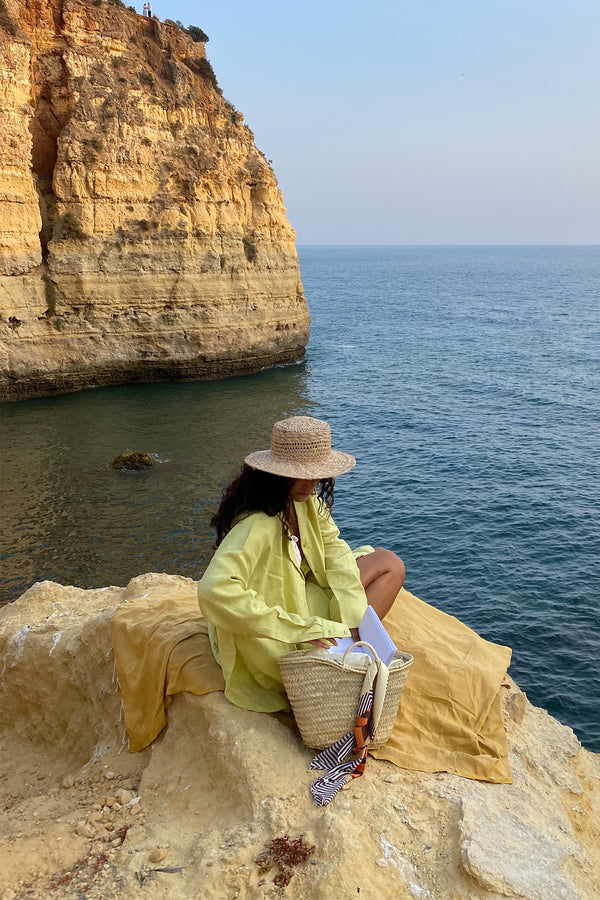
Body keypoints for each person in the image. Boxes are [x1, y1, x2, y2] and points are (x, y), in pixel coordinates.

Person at [197, 415, 405, 714]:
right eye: (304, 475)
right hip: (279, 614)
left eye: (318, 474)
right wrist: (301, 628)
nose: (313, 483)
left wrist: (352, 624)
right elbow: (213, 590)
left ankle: (347, 646)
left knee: (388, 563)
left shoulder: (306, 503)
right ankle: (337, 658)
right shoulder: (258, 525)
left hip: (301, 592)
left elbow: (336, 554)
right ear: (277, 475)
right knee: (374, 576)